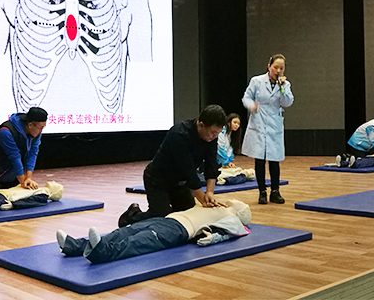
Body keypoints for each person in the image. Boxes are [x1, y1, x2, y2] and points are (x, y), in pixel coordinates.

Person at [117, 105, 227, 227]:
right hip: (158, 179)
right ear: (201, 125)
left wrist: (210, 192)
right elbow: (188, 170)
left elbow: (211, 164)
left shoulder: (211, 138)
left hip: (180, 183)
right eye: (213, 133)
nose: (214, 136)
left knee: (188, 214)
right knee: (159, 215)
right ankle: (131, 215)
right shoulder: (179, 134)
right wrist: (203, 200)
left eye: (217, 133)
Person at [57, 200, 251, 264]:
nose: (233, 200)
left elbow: (232, 231)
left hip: (178, 230)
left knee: (136, 242)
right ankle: (76, 246)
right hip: (166, 219)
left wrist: (212, 237)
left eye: (237, 203)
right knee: (124, 232)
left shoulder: (232, 216)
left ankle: (102, 253)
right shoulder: (213, 203)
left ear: (240, 210)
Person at [242, 54, 294, 205]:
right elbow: (246, 97)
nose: (278, 70)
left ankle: (275, 192)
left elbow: (288, 102)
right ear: (269, 66)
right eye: (275, 67)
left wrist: (282, 88)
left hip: (274, 125)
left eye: (281, 68)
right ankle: (262, 192)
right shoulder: (257, 81)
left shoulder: (285, 84)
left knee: (274, 160)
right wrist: (252, 106)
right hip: (259, 122)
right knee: (259, 160)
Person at [0, 107, 48, 197]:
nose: (41, 131)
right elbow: (14, 156)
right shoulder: (6, 132)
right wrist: (23, 182)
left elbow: (32, 154)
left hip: (11, 173)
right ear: (30, 125)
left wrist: (28, 178)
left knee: (7, 201)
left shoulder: (35, 133)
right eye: (41, 128)